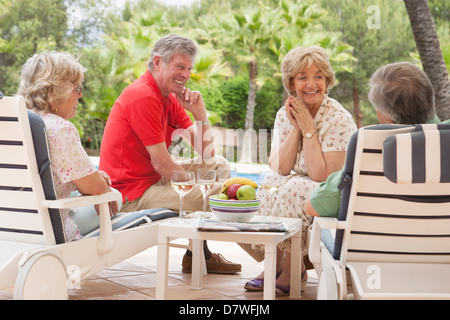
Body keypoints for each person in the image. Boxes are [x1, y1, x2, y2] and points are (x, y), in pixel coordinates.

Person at [99, 33, 241, 274]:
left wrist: (200, 113)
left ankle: (197, 254)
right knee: (221, 195)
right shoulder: (143, 95)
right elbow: (162, 163)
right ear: (157, 62)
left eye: (188, 68)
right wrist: (197, 189)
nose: (185, 74)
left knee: (218, 165)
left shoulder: (169, 97)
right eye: (179, 66)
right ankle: (273, 254)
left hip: (153, 180)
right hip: (131, 195)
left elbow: (207, 153)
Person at [245, 46, 357, 294]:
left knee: (295, 188)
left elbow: (321, 175)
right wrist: (296, 127)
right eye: (303, 77)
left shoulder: (339, 118)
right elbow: (281, 167)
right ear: (291, 83)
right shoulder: (285, 114)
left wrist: (309, 129)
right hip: (296, 180)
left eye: (318, 76)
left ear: (327, 81)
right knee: (268, 185)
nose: (312, 84)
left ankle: (292, 269)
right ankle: (274, 263)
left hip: (329, 189)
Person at [304, 61, 449, 219]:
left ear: (384, 114)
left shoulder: (367, 148)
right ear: (430, 99)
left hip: (376, 241)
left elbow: (312, 207)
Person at [17, 51, 119, 241]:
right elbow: (95, 188)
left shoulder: (15, 123)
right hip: (51, 229)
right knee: (116, 196)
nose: (80, 95)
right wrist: (101, 183)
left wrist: (92, 177)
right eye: (76, 87)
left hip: (13, 227)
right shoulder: (59, 128)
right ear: (54, 91)